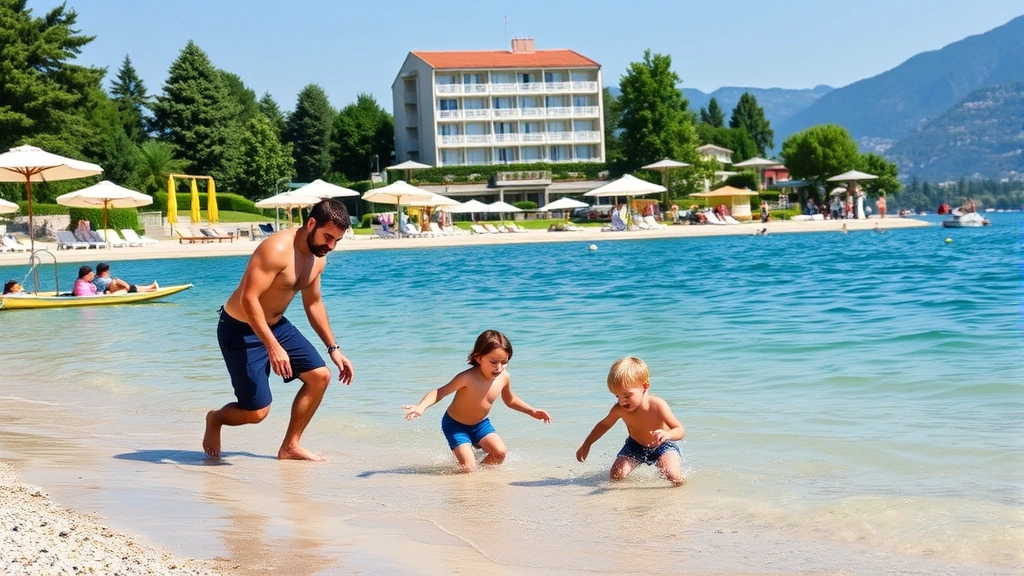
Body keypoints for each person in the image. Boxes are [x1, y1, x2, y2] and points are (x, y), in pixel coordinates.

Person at [203, 198, 355, 462]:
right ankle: (215, 418)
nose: (330, 246)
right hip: (240, 328)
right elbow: (248, 300)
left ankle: (290, 446)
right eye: (328, 237)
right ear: (311, 224)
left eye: (336, 241)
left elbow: (314, 302)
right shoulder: (275, 249)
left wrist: (334, 348)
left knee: (320, 376)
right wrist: (273, 347)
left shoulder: (318, 258)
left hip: (276, 324)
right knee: (257, 413)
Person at [403, 330, 551, 473]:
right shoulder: (467, 378)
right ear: (479, 358)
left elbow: (510, 400)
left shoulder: (504, 377)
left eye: (504, 362)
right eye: (493, 362)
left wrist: (531, 410)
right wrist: (421, 406)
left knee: (500, 453)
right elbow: (440, 392)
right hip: (455, 426)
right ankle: (469, 471)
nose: (499, 367)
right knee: (468, 469)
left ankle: (480, 479)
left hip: (481, 425)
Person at [576, 356, 685, 486]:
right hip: (635, 446)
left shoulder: (658, 405)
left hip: (663, 445)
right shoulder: (619, 409)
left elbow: (680, 430)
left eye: (627, 395)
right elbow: (604, 425)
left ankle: (680, 496)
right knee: (616, 474)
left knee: (672, 475)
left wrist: (668, 435)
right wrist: (587, 444)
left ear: (645, 386)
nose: (622, 401)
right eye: (617, 396)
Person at [92, 263, 158, 294]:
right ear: (104, 272)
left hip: (108, 290)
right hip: (108, 291)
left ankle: (150, 287)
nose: (109, 272)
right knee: (117, 281)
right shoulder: (103, 280)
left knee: (130, 286)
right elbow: (110, 285)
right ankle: (150, 287)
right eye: (107, 270)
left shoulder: (96, 278)